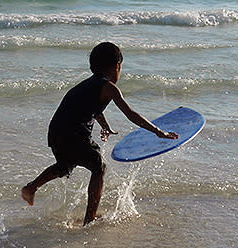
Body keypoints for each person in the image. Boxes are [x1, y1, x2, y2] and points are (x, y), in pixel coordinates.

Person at [21, 42, 179, 226]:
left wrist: (105, 126)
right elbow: (130, 114)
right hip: (73, 134)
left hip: (56, 132)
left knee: (65, 165)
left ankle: (31, 188)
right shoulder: (109, 87)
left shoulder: (88, 84)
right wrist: (159, 132)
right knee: (99, 167)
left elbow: (91, 108)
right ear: (117, 66)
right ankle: (90, 218)